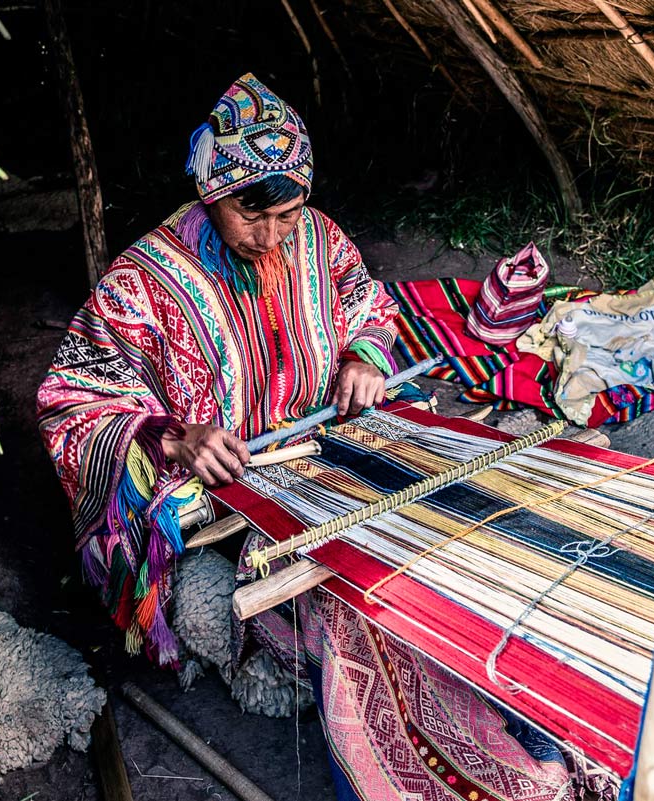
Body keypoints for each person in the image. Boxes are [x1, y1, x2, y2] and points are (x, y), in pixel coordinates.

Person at [38, 73, 595, 801]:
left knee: (458, 532)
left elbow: (368, 307)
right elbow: (70, 399)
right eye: (251, 215)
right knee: (348, 606)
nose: (271, 237)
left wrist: (364, 358)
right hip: (226, 490)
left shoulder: (319, 238)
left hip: (321, 454)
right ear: (209, 192)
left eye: (287, 215)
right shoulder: (142, 280)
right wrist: (175, 438)